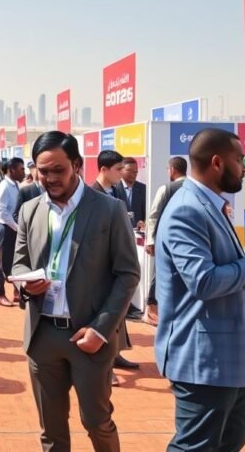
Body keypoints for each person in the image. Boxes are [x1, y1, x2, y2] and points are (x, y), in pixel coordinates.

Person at [155, 128, 245, 452]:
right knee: (196, 447)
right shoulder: (187, 209)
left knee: (229, 442)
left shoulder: (211, 205)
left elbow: (224, 270)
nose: (244, 168)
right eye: (240, 159)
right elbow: (203, 281)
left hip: (231, 358)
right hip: (204, 360)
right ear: (217, 162)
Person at [11, 132, 140, 452]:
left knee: (97, 421)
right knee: (51, 432)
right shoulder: (30, 210)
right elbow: (18, 265)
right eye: (43, 171)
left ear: (78, 165)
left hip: (90, 336)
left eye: (58, 170)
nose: (50, 178)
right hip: (43, 336)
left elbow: (127, 274)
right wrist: (26, 282)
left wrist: (101, 329)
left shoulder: (109, 210)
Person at [89, 150, 138, 375]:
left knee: (118, 312)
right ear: (103, 169)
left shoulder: (116, 190)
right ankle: (106, 367)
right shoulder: (90, 195)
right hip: (100, 264)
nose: (122, 174)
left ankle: (116, 355)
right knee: (103, 314)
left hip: (118, 260)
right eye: (118, 169)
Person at [143, 156, 187, 325]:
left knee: (158, 273)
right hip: (187, 242)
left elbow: (153, 215)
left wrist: (150, 240)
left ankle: (151, 311)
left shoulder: (166, 189)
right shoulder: (196, 188)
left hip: (166, 241)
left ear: (172, 170)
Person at [0, 157, 24, 307]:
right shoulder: (4, 186)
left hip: (11, 227)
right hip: (5, 228)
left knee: (14, 260)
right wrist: (16, 227)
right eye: (21, 169)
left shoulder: (15, 185)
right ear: (11, 170)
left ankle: (17, 291)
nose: (24, 172)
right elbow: (1, 211)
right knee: (3, 263)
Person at [120, 157, 147, 230]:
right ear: (121, 170)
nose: (133, 174)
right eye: (129, 170)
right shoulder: (114, 188)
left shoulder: (143, 189)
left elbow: (147, 213)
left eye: (135, 171)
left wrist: (144, 222)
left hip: (137, 234)